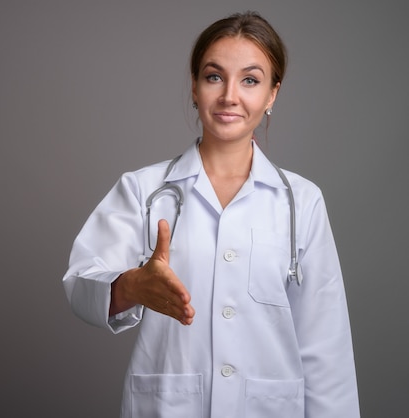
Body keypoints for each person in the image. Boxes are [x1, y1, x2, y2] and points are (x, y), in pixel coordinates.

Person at [62, 11, 360, 418]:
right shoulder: (143, 189)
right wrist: (130, 287)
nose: (229, 96)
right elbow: (80, 286)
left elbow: (327, 351)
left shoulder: (302, 202)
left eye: (250, 80)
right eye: (214, 76)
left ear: (273, 94)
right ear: (194, 87)